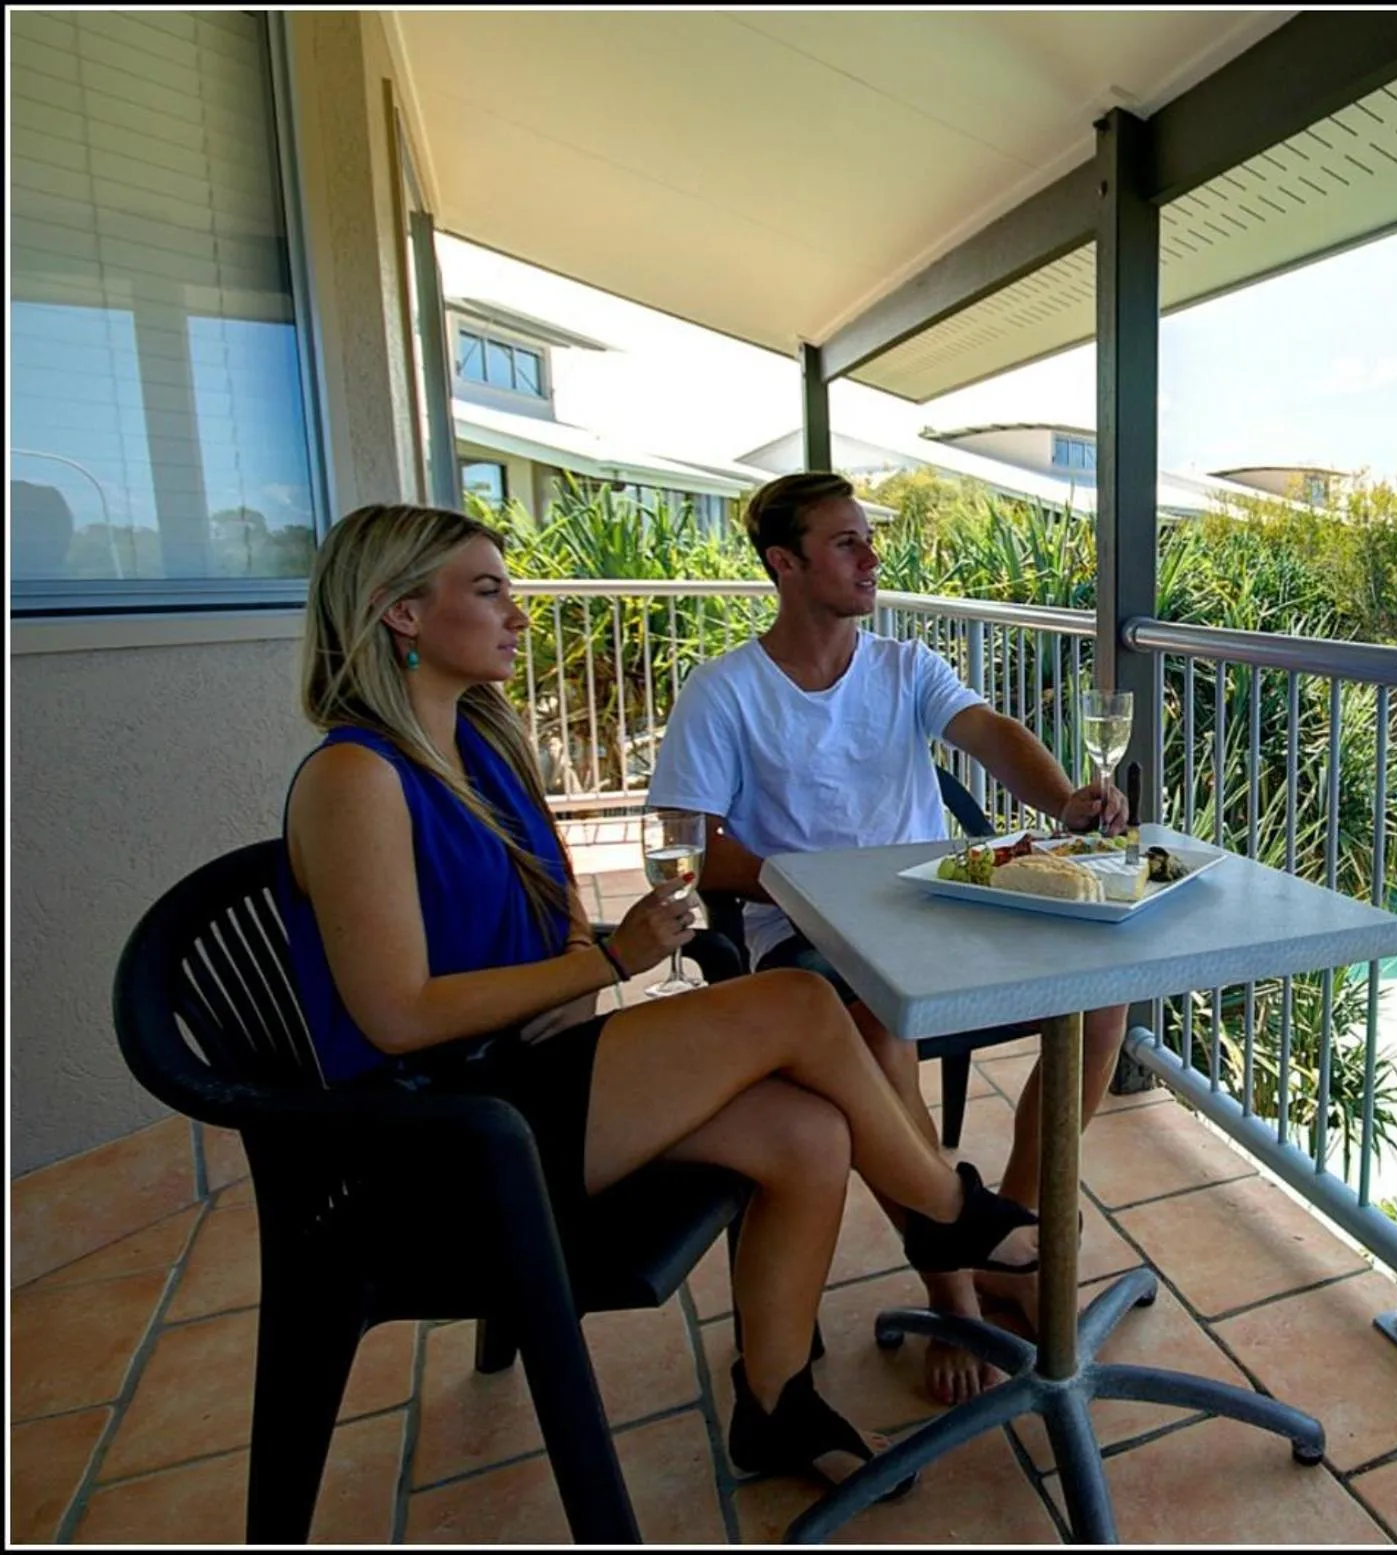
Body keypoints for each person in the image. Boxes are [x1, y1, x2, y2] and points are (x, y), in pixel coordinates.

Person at [278, 502, 1042, 1494]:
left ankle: (774, 1405)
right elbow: (398, 1014)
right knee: (802, 1007)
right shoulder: (354, 777)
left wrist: (593, 963)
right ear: (400, 614)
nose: (517, 613)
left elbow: (548, 929)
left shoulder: (480, 752)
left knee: (811, 1132)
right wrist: (612, 962)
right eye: (487, 590)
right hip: (435, 1139)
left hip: (519, 1080)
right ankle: (945, 1208)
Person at [648, 471, 1132, 1405]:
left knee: (1101, 994)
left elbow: (989, 732)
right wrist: (817, 881)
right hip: (803, 938)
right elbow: (690, 843)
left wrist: (1065, 800)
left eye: (869, 539)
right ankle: (951, 1290)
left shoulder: (904, 667)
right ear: (784, 563)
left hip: (935, 910)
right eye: (846, 543)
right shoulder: (726, 692)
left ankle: (1008, 1235)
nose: (872, 557)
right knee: (879, 1027)